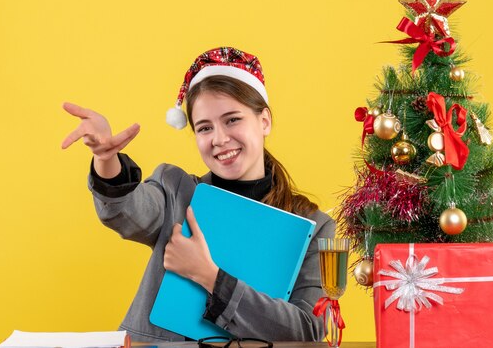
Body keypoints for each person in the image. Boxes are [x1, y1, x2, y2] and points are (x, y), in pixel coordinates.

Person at [61, 47, 335, 343]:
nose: (219, 139)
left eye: (232, 120)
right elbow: (127, 213)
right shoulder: (176, 190)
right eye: (205, 128)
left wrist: (210, 276)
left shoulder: (313, 226)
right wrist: (106, 161)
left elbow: (307, 331)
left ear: (264, 120)